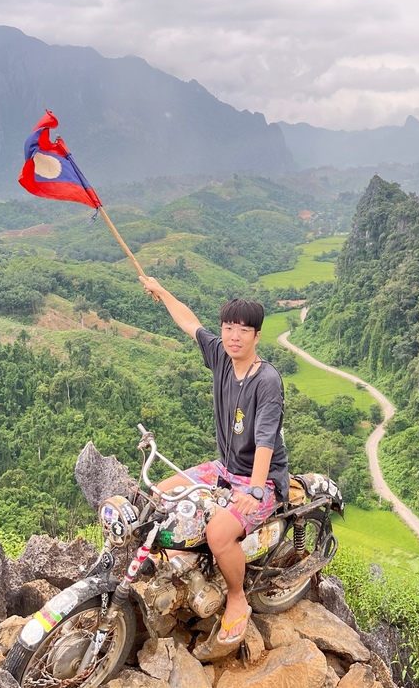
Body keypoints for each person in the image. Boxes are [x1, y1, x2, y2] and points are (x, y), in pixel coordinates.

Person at [139, 275, 288, 647]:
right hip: (224, 467)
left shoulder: (267, 380)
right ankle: (181, 566)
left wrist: (254, 489)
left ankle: (237, 598)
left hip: (262, 478)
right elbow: (190, 323)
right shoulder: (221, 355)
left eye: (242, 330)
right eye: (228, 328)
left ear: (256, 335)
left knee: (218, 533)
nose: (233, 336)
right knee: (159, 495)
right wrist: (162, 291)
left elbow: (266, 440)